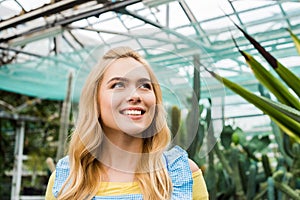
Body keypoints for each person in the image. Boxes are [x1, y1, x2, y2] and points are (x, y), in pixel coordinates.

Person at [45, 46, 209, 200]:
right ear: (95, 100)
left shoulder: (183, 175)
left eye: (145, 85)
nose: (135, 95)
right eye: (118, 85)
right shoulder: (66, 181)